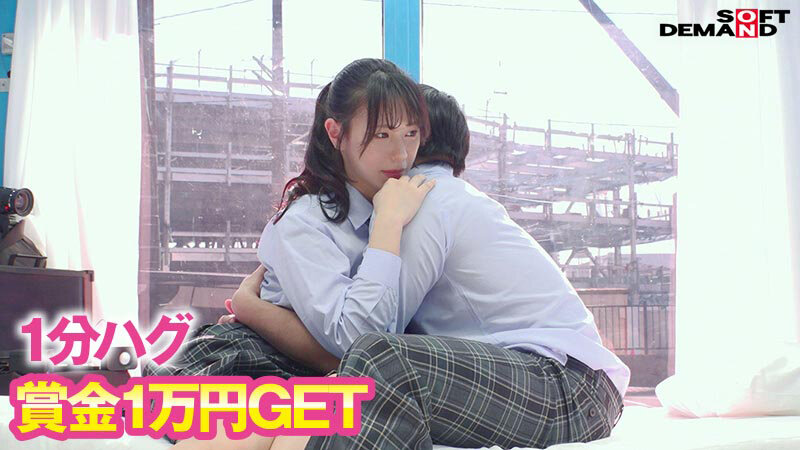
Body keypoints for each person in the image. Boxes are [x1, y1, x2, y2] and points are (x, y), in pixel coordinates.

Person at [229, 85, 630, 449]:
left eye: (405, 132)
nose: (394, 149)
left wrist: (256, 310)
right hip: (569, 384)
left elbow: (365, 339)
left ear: (420, 139)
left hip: (567, 388)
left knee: (379, 359)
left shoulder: (425, 202)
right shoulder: (452, 197)